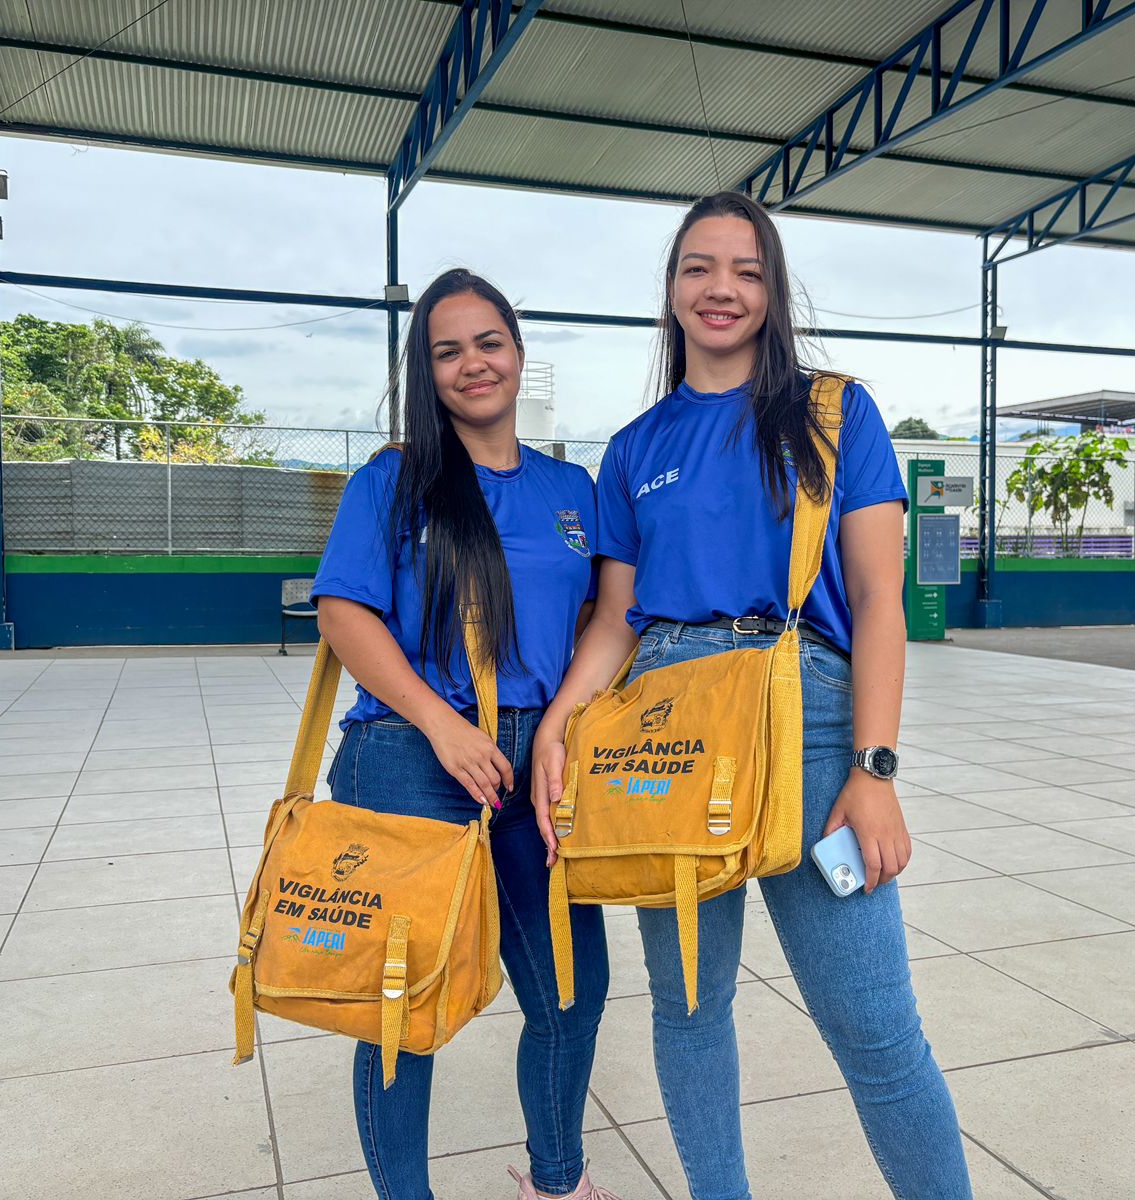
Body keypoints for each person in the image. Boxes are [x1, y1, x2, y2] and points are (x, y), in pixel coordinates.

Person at [533, 192, 973, 1200]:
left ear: (772, 291)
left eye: (746, 269)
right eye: (698, 267)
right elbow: (617, 620)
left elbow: (879, 598)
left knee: (874, 1024)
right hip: (666, 735)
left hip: (810, 724)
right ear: (671, 290)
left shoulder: (834, 413)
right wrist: (561, 721)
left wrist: (874, 769)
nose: (720, 288)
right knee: (689, 1010)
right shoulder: (634, 448)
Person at [311, 269, 616, 1200]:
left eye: (489, 343)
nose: (472, 364)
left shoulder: (573, 487)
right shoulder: (396, 480)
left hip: (541, 756)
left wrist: (558, 727)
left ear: (518, 354)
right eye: (447, 351)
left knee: (570, 991)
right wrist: (442, 724)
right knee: (401, 1003)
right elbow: (344, 612)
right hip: (413, 750)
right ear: (427, 372)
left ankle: (556, 1183)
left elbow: (606, 618)